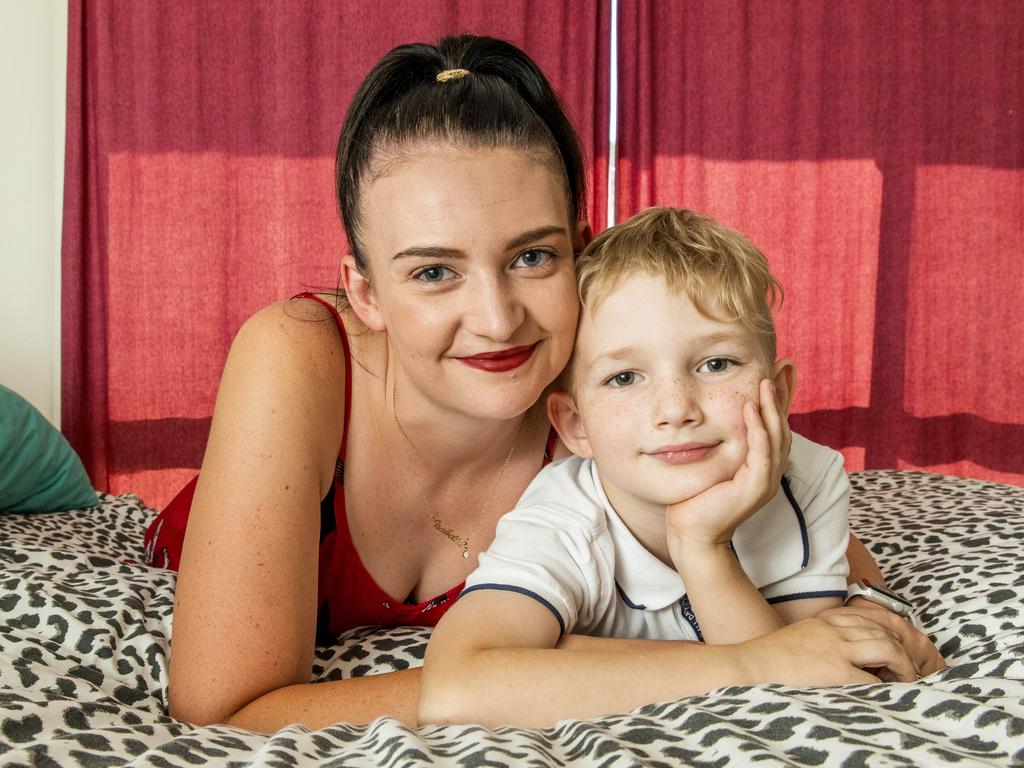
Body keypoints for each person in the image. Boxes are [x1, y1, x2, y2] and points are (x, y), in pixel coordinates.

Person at [148, 34, 935, 733]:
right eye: (432, 271)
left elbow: (816, 562)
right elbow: (225, 708)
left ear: (581, 254)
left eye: (533, 257)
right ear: (364, 292)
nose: (497, 320)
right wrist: (716, 668)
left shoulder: (611, 395)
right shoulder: (298, 354)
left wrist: (855, 622)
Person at [418, 207, 945, 728]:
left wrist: (700, 546)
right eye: (624, 377)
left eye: (715, 364)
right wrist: (754, 659)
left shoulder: (808, 479)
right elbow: (454, 689)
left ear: (779, 393)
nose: (675, 409)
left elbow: (812, 679)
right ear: (575, 425)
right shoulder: (564, 521)